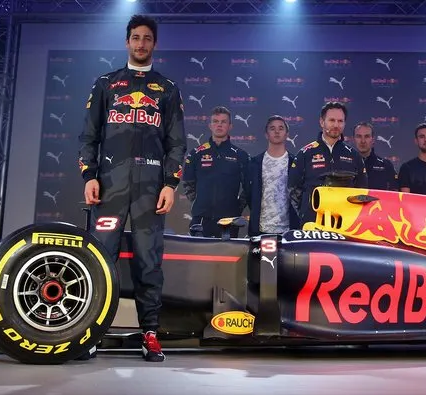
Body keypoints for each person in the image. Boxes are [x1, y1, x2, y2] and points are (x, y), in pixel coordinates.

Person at [78, 14, 186, 362]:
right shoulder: (106, 83)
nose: (141, 43)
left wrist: (170, 184)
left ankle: (150, 333)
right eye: (136, 37)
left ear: (155, 44)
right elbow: (89, 136)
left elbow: (177, 143)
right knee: (100, 260)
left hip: (150, 191)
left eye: (147, 38)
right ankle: (91, 331)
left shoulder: (167, 88)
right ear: (127, 42)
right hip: (109, 188)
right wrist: (89, 175)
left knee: (148, 263)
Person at [287, 101, 368, 228]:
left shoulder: (354, 155)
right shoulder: (305, 153)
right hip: (312, 223)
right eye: (332, 120)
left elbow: (362, 190)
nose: (336, 125)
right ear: (322, 122)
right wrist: (306, 211)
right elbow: (293, 189)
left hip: (345, 224)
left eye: (340, 121)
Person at [181, 106, 250, 237]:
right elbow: (188, 183)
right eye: (215, 121)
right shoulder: (196, 153)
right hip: (201, 218)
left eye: (223, 122)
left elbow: (248, 186)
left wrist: (237, 207)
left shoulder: (241, 155)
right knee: (198, 250)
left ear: (230, 126)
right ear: (210, 125)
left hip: (229, 219)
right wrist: (199, 202)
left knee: (227, 251)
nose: (219, 125)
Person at [243, 115, 295, 236]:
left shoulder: (295, 163)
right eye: (272, 128)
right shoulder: (254, 163)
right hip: (260, 229)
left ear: (287, 134)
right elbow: (249, 193)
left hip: (289, 230)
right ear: (266, 134)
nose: (277, 131)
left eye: (281, 128)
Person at [352, 121, 397, 191]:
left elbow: (394, 192)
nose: (363, 141)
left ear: (373, 140)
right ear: (354, 139)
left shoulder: (386, 166)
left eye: (367, 136)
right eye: (359, 136)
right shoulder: (346, 164)